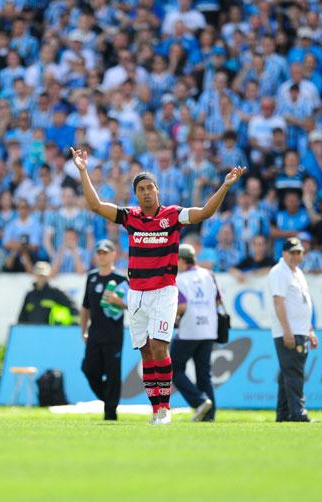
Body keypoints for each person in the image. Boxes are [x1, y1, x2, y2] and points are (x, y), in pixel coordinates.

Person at [71, 146, 245, 425]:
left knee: (160, 348)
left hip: (164, 292)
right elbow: (96, 206)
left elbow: (202, 213)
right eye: (141, 189)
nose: (147, 192)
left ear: (158, 191)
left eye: (151, 187)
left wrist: (224, 186)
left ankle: (165, 409)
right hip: (136, 294)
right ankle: (156, 410)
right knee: (146, 352)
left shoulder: (172, 216)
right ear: (136, 194)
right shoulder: (130, 217)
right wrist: (82, 171)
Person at [269, 237, 319, 422]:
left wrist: (310, 330)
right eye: (293, 252)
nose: (296, 256)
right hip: (290, 330)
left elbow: (303, 303)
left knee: (287, 374)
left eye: (299, 252)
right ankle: (299, 413)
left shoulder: (297, 272)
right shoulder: (279, 272)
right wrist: (287, 330)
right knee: (294, 373)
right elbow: (278, 302)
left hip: (300, 329)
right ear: (284, 253)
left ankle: (283, 414)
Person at [80, 239, 129, 421]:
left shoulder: (120, 280)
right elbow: (85, 307)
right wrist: (83, 330)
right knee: (89, 369)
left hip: (113, 334)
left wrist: (119, 302)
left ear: (113, 255)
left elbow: (133, 304)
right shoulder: (91, 277)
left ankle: (111, 412)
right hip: (95, 332)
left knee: (113, 373)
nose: (102, 256)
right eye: (99, 253)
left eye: (105, 253)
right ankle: (108, 400)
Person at [172, 243, 219, 422]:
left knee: (172, 369)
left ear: (182, 260)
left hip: (190, 329)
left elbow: (182, 306)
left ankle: (199, 401)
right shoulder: (208, 275)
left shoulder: (181, 279)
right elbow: (218, 300)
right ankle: (209, 415)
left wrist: (175, 317)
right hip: (209, 328)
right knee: (204, 373)